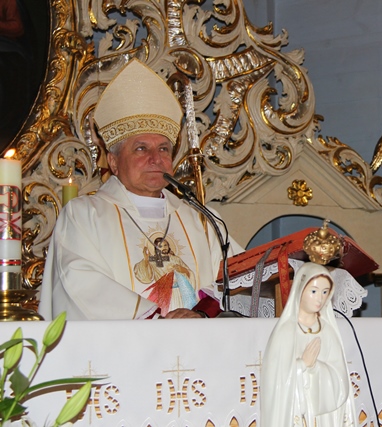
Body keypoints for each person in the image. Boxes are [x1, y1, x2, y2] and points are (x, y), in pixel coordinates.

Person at [39, 59, 242, 320]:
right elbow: (81, 283)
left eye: (164, 149)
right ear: (113, 162)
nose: (155, 159)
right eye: (141, 148)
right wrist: (153, 319)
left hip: (201, 339)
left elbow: (240, 279)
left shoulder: (202, 220)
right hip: (125, 343)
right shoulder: (84, 216)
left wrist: (201, 314)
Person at [261, 262, 356, 427]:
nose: (320, 298)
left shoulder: (328, 331)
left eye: (325, 292)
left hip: (324, 418)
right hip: (295, 416)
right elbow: (275, 383)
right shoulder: (286, 331)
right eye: (314, 291)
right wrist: (302, 365)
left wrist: (315, 368)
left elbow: (341, 380)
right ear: (300, 290)